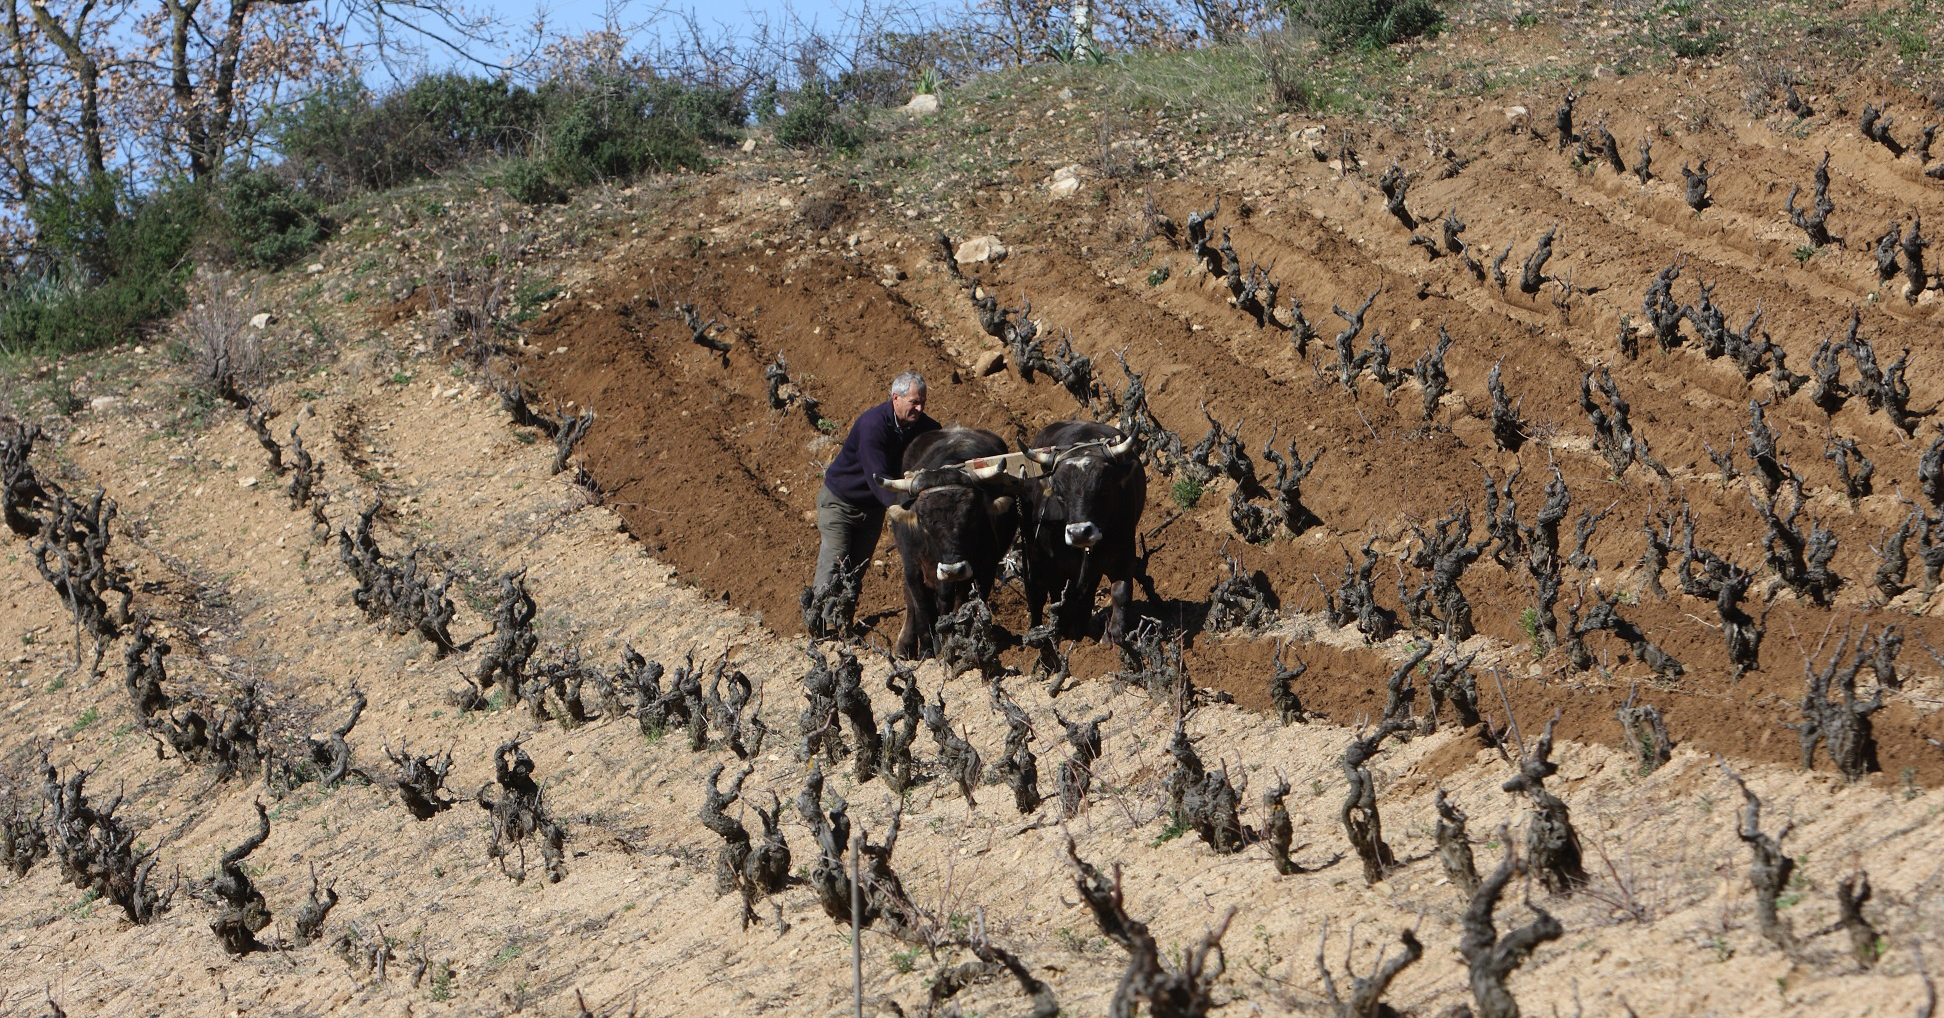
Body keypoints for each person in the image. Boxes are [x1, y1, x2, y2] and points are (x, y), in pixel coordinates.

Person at [813, 371, 940, 600]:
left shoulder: (924, 427)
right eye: (914, 403)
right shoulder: (873, 425)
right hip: (840, 503)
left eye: (923, 403)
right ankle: (822, 627)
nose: (919, 409)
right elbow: (878, 478)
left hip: (872, 509)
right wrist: (904, 511)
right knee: (836, 563)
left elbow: (940, 445)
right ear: (895, 398)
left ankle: (843, 626)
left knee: (855, 571)